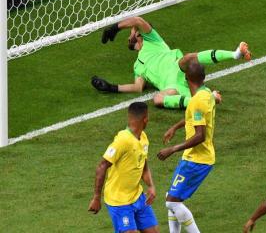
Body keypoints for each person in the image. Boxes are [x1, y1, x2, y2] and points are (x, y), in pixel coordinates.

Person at [91, 16, 251, 109]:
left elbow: (138, 20)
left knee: (188, 58)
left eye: (131, 32)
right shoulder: (137, 66)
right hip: (171, 86)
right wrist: (111, 87)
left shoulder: (153, 40)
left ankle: (235, 54)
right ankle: (207, 98)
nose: (129, 35)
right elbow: (138, 87)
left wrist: (115, 28)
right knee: (158, 100)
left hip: (179, 69)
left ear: (138, 34)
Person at [157, 62, 215, 233]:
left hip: (197, 159)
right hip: (194, 157)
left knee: (172, 202)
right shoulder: (207, 94)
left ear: (186, 78)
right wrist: (175, 127)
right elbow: (195, 117)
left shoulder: (197, 101)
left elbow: (200, 135)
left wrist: (172, 149)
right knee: (171, 199)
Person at [88, 102, 159, 233]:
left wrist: (151, 185)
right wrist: (97, 197)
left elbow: (143, 165)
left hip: (137, 196)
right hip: (119, 202)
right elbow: (102, 166)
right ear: (145, 119)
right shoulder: (122, 140)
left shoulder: (143, 138)